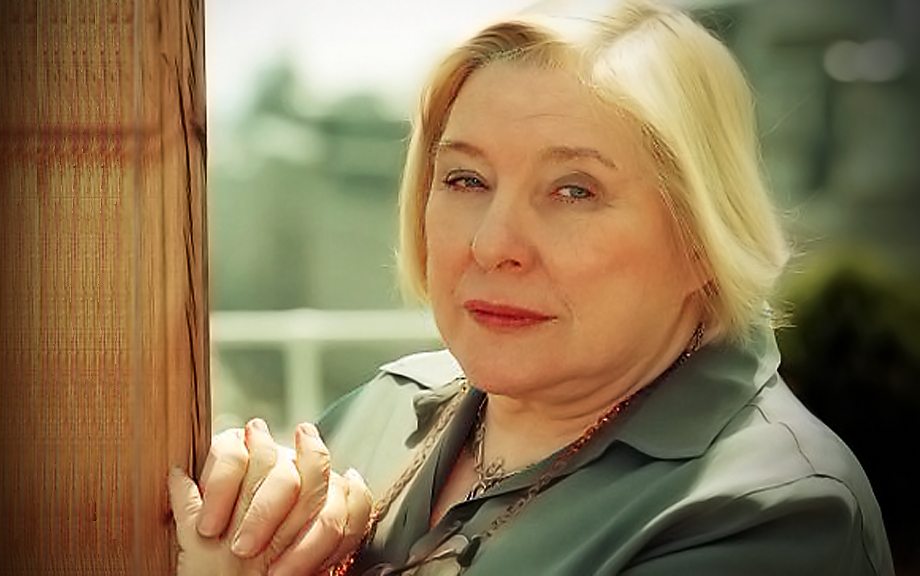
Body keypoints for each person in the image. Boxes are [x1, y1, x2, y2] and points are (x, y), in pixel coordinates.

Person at [168, 0, 896, 574]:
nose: (492, 245)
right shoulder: (379, 412)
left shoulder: (773, 511)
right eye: (465, 179)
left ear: (702, 237)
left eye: (574, 190)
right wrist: (244, 517)